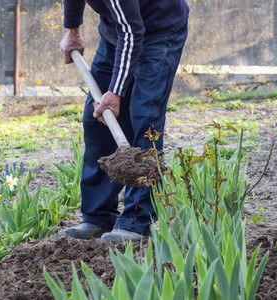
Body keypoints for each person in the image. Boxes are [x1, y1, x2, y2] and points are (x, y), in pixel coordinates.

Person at [60, 0, 189, 242]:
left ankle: (137, 221)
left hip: (159, 31)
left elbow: (133, 31)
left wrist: (116, 92)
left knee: (145, 119)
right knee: (96, 117)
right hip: (117, 32)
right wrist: (72, 30)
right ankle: (99, 216)